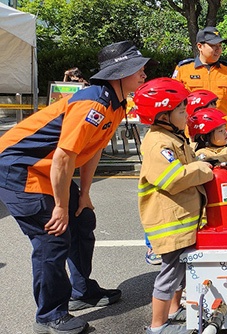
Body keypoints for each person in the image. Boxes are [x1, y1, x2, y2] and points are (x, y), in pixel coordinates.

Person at [0, 40, 154, 334]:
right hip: (18, 168)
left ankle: (81, 291)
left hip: (47, 167)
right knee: (52, 238)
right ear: (119, 72)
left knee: (83, 219)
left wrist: (83, 195)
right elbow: (63, 156)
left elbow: (92, 150)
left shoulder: (117, 104)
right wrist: (59, 206)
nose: (144, 74)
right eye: (139, 69)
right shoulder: (92, 102)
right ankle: (49, 315)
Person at [133, 78, 214, 334]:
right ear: (163, 116)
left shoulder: (171, 136)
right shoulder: (159, 143)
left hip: (181, 221)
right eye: (181, 111)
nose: (186, 114)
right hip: (171, 224)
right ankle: (157, 327)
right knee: (169, 275)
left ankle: (172, 310)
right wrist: (201, 169)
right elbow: (172, 178)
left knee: (179, 271)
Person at [172, 26, 227, 135]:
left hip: (223, 136)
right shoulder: (183, 69)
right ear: (200, 46)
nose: (218, 49)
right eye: (213, 46)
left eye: (220, 46)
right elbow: (173, 104)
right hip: (193, 136)